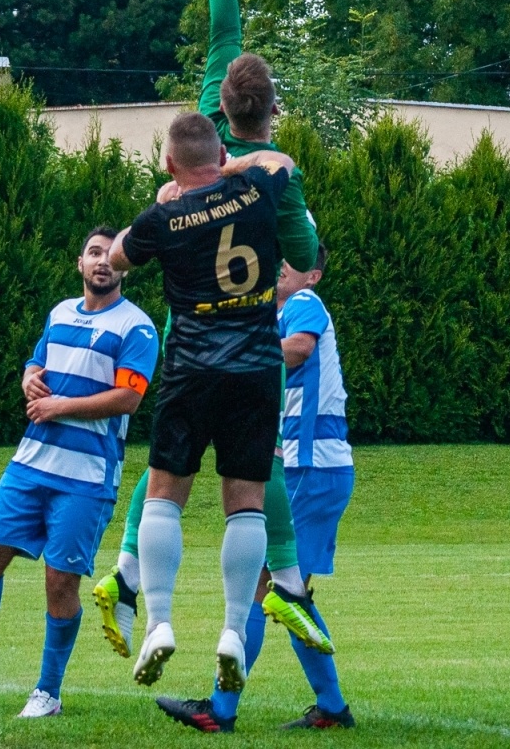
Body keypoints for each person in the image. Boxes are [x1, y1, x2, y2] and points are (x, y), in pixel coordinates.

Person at [92, 0, 329, 673]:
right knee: (250, 485)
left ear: (212, 114)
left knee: (167, 474)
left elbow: (223, 34)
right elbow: (311, 260)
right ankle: (279, 589)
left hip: (187, 339)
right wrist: (289, 283)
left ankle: (132, 577)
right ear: (270, 107)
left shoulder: (188, 164)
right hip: (251, 345)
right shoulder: (275, 178)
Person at [0, 229, 159, 717]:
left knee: (60, 583)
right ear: (79, 262)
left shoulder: (137, 328)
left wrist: (60, 407)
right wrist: (28, 374)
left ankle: (48, 692)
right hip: (29, 464)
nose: (103, 264)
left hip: (87, 477)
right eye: (95, 254)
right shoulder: (59, 312)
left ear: (125, 268)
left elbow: (129, 398)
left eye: (112, 258)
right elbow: (38, 361)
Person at [109, 112, 298, 698]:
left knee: (165, 492)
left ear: (169, 164)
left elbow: (114, 257)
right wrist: (233, 164)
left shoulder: (162, 217)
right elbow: (284, 163)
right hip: (257, 370)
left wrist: (166, 198)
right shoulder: (255, 188)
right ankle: (234, 631)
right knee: (245, 504)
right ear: (217, 158)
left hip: (192, 371)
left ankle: (160, 620)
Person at [160, 247, 356, 732]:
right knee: (281, 592)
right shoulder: (276, 313)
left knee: (279, 592)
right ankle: (325, 706)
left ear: (312, 274)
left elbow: (300, 348)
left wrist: (237, 355)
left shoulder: (304, 304)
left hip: (312, 465)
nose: (281, 269)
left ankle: (224, 709)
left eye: (293, 264)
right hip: (304, 467)